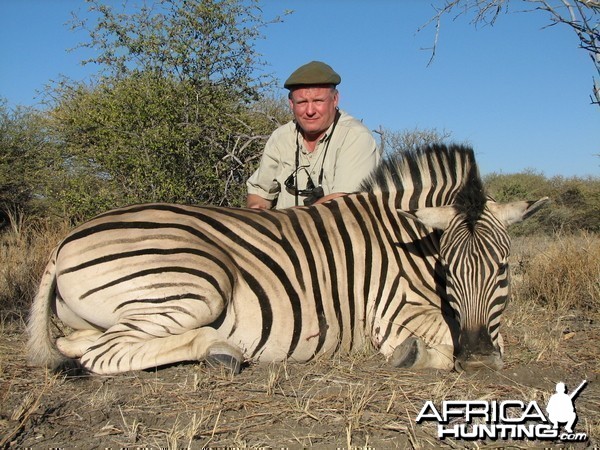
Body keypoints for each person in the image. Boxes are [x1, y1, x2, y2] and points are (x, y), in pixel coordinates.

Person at [246, 61, 380, 209]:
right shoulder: (280, 137)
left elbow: (344, 202)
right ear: (291, 103)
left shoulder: (355, 136)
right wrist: (257, 211)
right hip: (283, 231)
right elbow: (259, 193)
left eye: (318, 101)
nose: (310, 111)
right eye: (302, 102)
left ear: (335, 99)